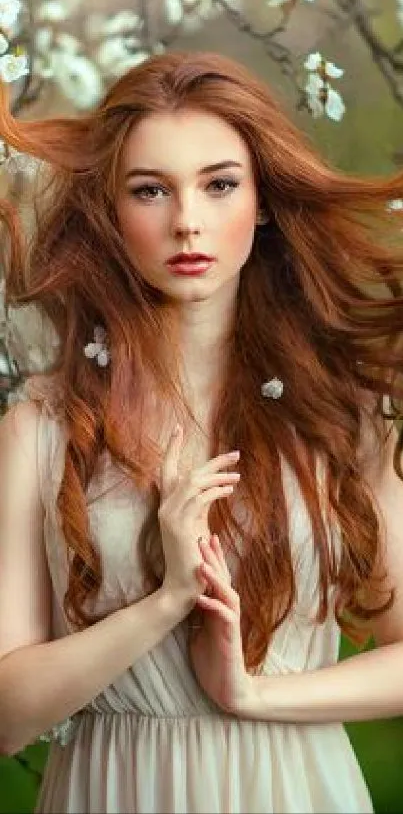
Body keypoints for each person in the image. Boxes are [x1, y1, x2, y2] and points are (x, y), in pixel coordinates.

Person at [0, 50, 402, 814]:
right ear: (111, 212)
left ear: (261, 202)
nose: (186, 219)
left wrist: (252, 696)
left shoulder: (336, 416)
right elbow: (7, 715)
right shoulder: (41, 429)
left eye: (219, 184)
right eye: (150, 190)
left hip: (294, 788)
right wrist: (165, 600)